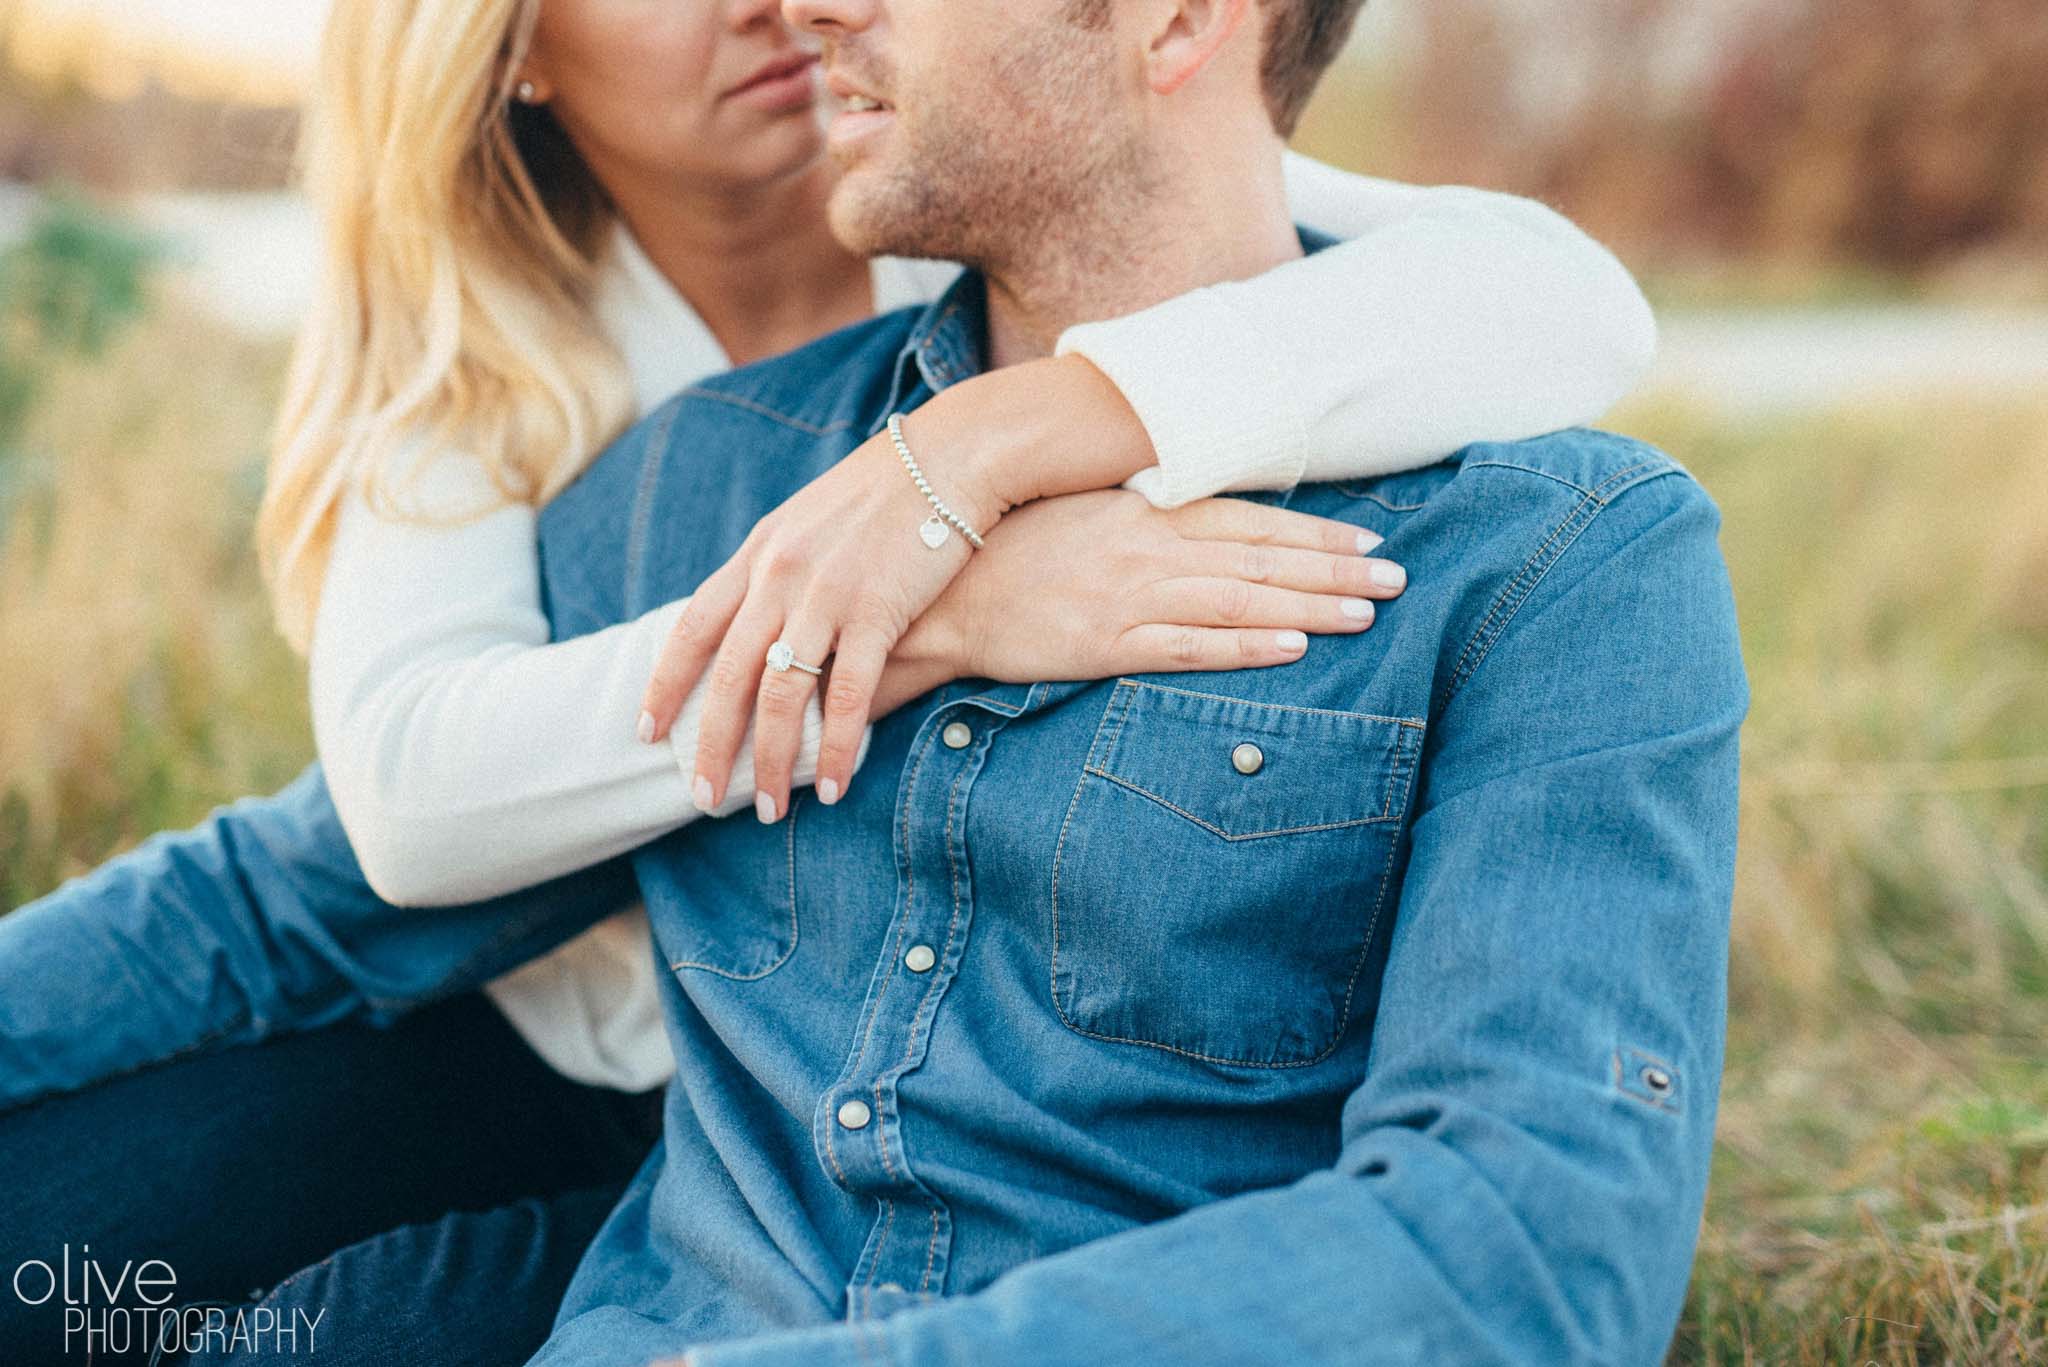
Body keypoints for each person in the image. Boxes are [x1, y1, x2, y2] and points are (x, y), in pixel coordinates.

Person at [0, 0, 1660, 1362]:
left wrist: (984, 444)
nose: (789, 3)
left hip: (800, 1156)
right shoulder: (559, 419)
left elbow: (1551, 290)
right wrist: (931, 609)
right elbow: (359, 853)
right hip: (580, 1068)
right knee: (82, 1276)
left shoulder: (967, 172)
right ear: (512, 48)